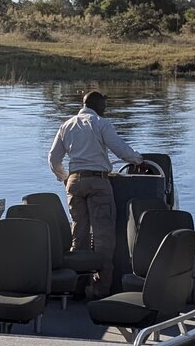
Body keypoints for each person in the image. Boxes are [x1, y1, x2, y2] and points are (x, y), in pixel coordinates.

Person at [48, 90, 143, 298]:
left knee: (78, 236)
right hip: (99, 182)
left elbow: (54, 159)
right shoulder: (101, 123)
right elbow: (121, 150)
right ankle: (100, 291)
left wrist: (65, 178)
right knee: (103, 238)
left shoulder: (67, 125)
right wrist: (138, 160)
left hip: (74, 181)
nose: (105, 110)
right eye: (104, 106)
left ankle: (75, 289)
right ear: (98, 105)